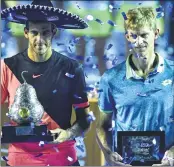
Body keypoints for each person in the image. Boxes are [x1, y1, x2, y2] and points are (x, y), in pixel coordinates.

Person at [1, 0, 92, 166]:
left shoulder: (72, 68)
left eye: (45, 33)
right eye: (34, 33)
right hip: (19, 161)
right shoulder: (7, 66)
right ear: (26, 33)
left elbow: (84, 120)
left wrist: (67, 134)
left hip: (63, 159)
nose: (40, 39)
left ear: (54, 32)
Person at [96, 6, 174, 166]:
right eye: (134, 36)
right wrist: (108, 154)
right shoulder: (110, 78)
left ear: (156, 33)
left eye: (144, 35)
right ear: (127, 37)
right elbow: (102, 126)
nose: (139, 42)